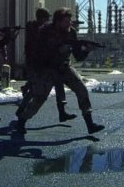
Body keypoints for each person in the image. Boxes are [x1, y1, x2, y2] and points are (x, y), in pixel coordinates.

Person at [14, 7, 104, 135]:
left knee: (82, 89)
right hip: (47, 68)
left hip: (64, 67)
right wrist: (57, 50)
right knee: (39, 98)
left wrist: (87, 50)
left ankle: (90, 124)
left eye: (70, 21)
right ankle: (22, 120)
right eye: (66, 21)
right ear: (58, 21)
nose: (69, 24)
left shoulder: (71, 32)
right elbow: (36, 53)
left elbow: (78, 56)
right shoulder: (44, 31)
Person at [16, 7, 76, 122]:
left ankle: (62, 112)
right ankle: (21, 111)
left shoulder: (43, 29)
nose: (49, 20)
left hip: (47, 64)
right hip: (36, 63)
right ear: (41, 18)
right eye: (46, 18)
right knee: (35, 91)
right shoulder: (37, 29)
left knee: (58, 85)